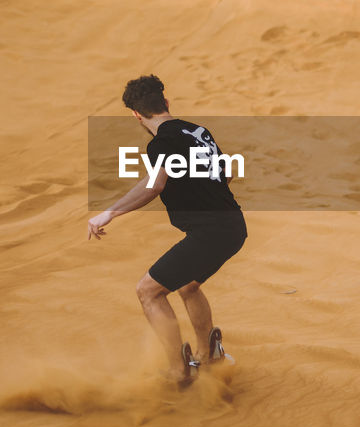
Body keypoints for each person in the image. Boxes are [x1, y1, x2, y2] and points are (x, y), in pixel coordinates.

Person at [87, 75, 246, 385]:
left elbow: (153, 186)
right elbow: (226, 174)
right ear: (166, 103)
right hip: (232, 226)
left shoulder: (161, 142)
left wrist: (108, 214)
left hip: (210, 232)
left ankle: (178, 370)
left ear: (135, 114)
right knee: (188, 285)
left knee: (149, 291)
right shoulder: (199, 131)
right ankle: (210, 356)